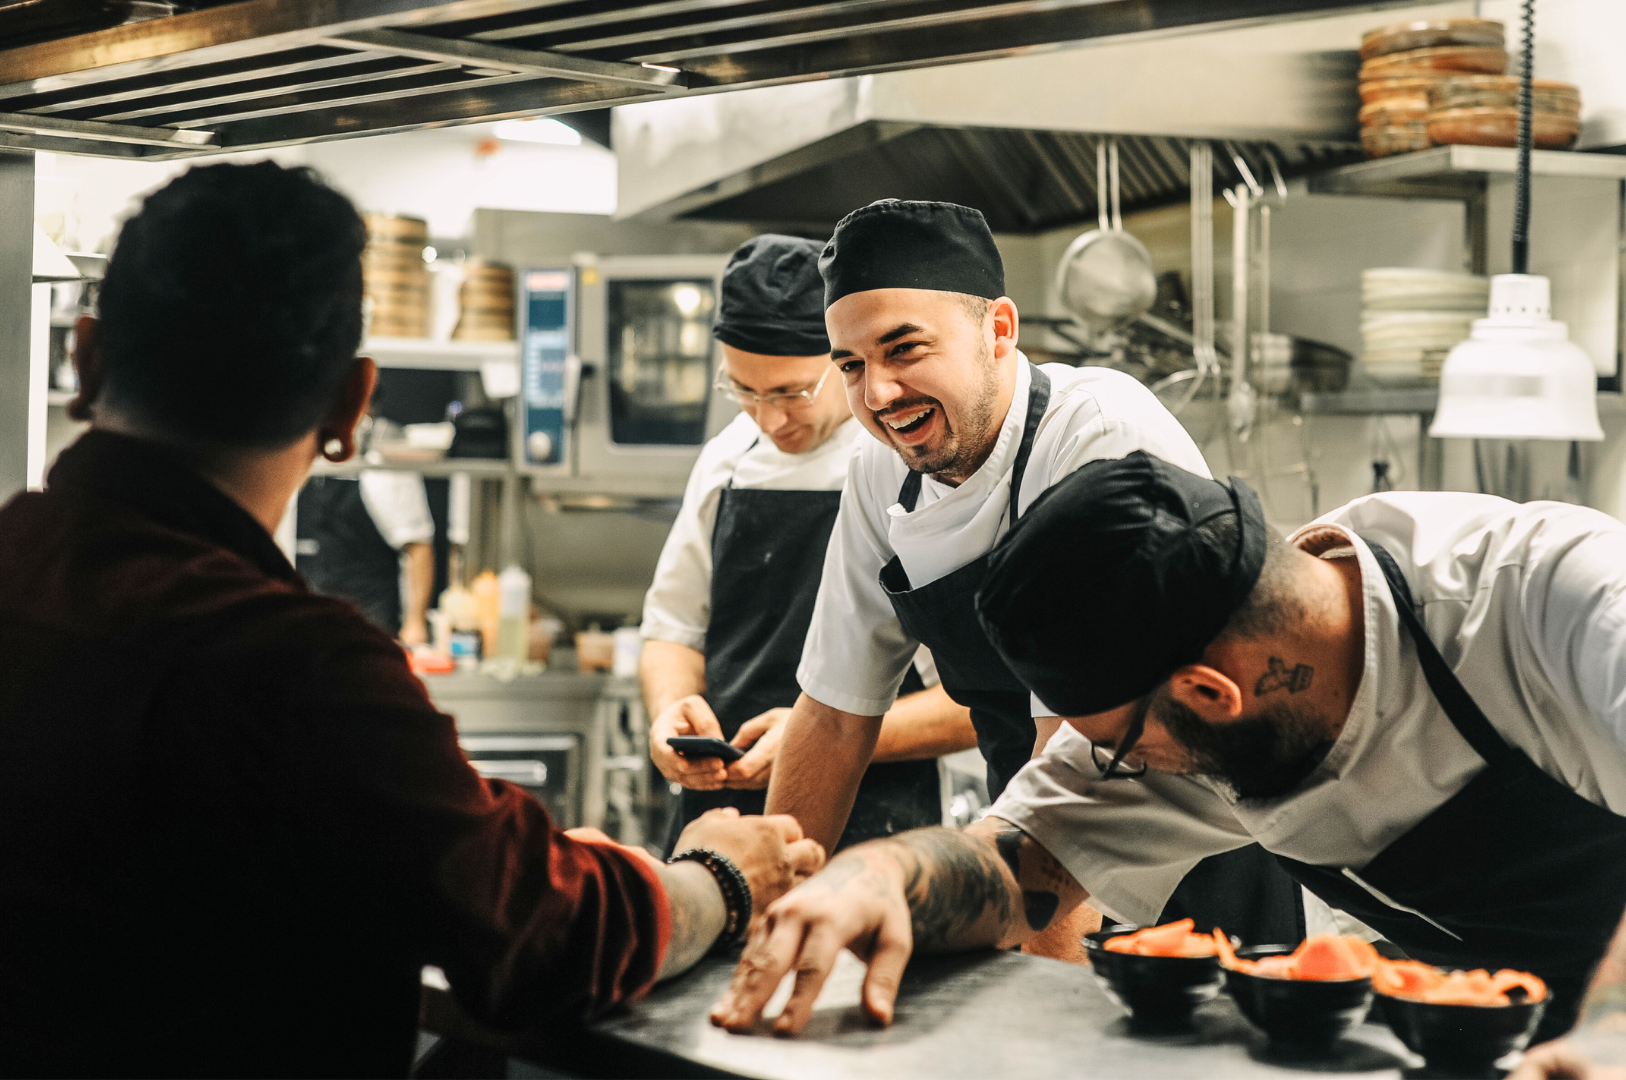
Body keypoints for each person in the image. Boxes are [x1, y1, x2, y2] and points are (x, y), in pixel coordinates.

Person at [0, 161, 822, 1078]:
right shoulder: (298, 671)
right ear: (351, 406)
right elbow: (540, 932)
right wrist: (718, 876)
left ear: (86, 360)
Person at [713, 455, 1626, 1080]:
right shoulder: (1183, 699)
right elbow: (1016, 866)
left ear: (1210, 692)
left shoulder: (1532, 582)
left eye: (1116, 741)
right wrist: (883, 872)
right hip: (1500, 1044)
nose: (1116, 769)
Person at [762, 199, 1301, 954]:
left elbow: (1074, 746)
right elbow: (832, 716)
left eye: (904, 349)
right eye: (851, 366)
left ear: (1000, 330)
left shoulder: (1097, 436)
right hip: (1026, 847)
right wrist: (767, 919)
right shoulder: (881, 470)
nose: (878, 393)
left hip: (1185, 855)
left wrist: (1043, 990)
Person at [640, 234, 975, 850]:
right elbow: (673, 630)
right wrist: (671, 710)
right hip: (720, 815)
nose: (769, 420)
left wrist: (811, 736)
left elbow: (973, 704)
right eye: (744, 391)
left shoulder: (913, 468)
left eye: (790, 393)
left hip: (878, 830)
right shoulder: (726, 461)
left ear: (846, 362)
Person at [296, 468, 435, 644]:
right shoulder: (310, 469)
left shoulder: (386, 473)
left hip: (372, 622)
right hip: (319, 619)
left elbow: (418, 547)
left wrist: (415, 623)